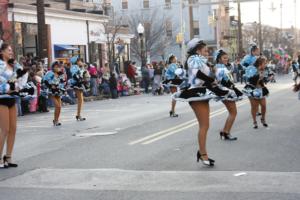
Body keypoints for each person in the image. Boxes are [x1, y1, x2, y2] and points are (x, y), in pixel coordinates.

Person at [174, 39, 229, 166]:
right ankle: (203, 153)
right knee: (204, 126)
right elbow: (196, 74)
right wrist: (211, 79)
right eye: (205, 50)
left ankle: (202, 152)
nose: (207, 52)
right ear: (198, 50)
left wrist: (213, 79)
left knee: (205, 125)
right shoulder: (194, 59)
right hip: (196, 92)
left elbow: (206, 76)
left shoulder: (200, 61)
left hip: (202, 92)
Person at [0, 43, 27, 168]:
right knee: (4, 130)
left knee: (13, 129)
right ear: (2, 52)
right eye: (9, 50)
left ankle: (8, 157)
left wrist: (18, 86)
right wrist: (8, 88)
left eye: (11, 50)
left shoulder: (13, 65)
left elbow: (21, 79)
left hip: (13, 98)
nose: (11, 52)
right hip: (2, 99)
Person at [214, 50, 243, 140]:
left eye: (227, 57)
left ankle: (225, 131)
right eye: (224, 58)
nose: (226, 59)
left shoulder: (220, 67)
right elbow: (223, 81)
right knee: (233, 113)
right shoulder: (220, 68)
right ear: (219, 59)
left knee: (232, 113)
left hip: (225, 90)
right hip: (226, 91)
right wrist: (232, 88)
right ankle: (226, 132)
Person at [243, 56, 269, 129]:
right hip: (252, 90)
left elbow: (265, 81)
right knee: (254, 107)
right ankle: (254, 121)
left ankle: (263, 119)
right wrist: (259, 77)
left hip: (261, 90)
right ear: (260, 63)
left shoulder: (264, 70)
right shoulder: (252, 69)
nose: (265, 64)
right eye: (264, 63)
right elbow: (251, 80)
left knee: (264, 106)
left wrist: (267, 78)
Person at [43, 61, 66, 126]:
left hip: (58, 91)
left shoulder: (60, 74)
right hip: (51, 92)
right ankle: (55, 121)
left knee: (59, 107)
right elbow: (45, 81)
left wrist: (61, 86)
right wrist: (51, 86)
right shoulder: (49, 73)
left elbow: (63, 82)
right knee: (57, 106)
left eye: (58, 67)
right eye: (56, 67)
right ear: (53, 67)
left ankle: (56, 120)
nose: (57, 68)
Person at [70, 56, 87, 121]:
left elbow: (82, 73)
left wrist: (83, 67)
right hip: (76, 83)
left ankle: (78, 114)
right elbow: (75, 75)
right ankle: (78, 115)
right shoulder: (74, 67)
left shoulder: (78, 67)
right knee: (80, 100)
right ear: (76, 62)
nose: (81, 62)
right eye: (79, 60)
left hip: (79, 83)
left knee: (81, 100)